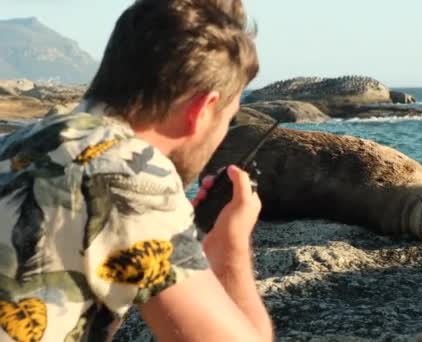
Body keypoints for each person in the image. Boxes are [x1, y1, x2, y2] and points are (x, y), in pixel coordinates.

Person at [0, 0, 273, 341]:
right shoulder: (129, 174)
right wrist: (230, 247)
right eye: (227, 119)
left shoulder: (16, 144)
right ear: (203, 109)